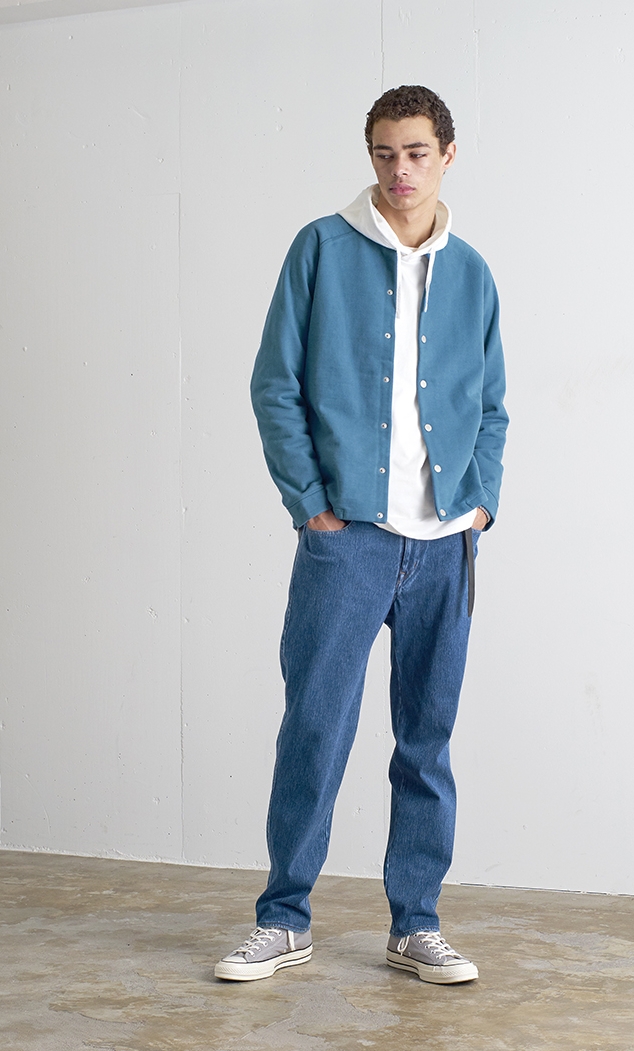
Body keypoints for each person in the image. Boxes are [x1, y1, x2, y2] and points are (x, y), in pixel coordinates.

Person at [215, 85, 507, 986]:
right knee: (314, 728)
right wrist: (311, 504)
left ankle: (415, 923)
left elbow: (492, 404)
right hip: (349, 540)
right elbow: (275, 385)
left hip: (445, 545)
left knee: (426, 739)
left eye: (416, 152)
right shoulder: (321, 248)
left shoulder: (471, 272)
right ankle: (282, 918)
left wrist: (481, 501)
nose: (399, 170)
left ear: (447, 154)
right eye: (384, 153)